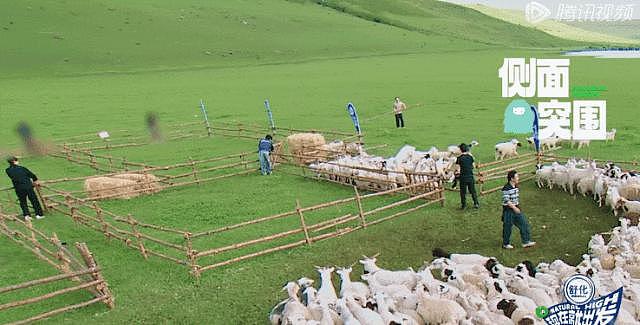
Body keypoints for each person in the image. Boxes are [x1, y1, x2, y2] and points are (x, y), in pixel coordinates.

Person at [501, 170, 535, 249]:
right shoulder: (506, 188)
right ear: (512, 179)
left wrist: (517, 207)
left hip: (516, 208)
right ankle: (506, 244)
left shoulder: (516, 186)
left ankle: (526, 242)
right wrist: (514, 208)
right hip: (508, 211)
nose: (518, 178)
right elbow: (507, 201)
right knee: (507, 227)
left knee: (524, 224)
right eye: (517, 177)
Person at [5, 156, 44, 221]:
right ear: (14, 161)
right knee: (34, 200)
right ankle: (38, 214)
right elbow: (32, 175)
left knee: (23, 202)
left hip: (18, 188)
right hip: (28, 186)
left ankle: (27, 215)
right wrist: (35, 180)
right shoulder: (22, 168)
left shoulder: (8, 170)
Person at [456, 143, 479, 209]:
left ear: (461, 150)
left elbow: (457, 169)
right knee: (473, 191)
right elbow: (473, 166)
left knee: (463, 192)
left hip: (463, 177)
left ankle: (464, 205)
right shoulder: (470, 157)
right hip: (470, 176)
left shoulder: (459, 158)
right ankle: (476, 203)